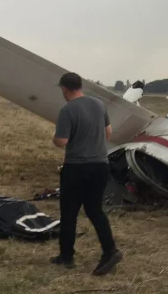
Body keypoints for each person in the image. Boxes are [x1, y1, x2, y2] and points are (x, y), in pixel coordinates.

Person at [51, 71, 123, 275]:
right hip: (100, 165)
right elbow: (108, 132)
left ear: (64, 89)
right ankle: (110, 250)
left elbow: (62, 141)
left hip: (76, 168)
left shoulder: (67, 110)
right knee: (95, 210)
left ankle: (66, 257)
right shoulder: (99, 104)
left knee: (69, 213)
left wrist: (55, 138)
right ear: (80, 86)